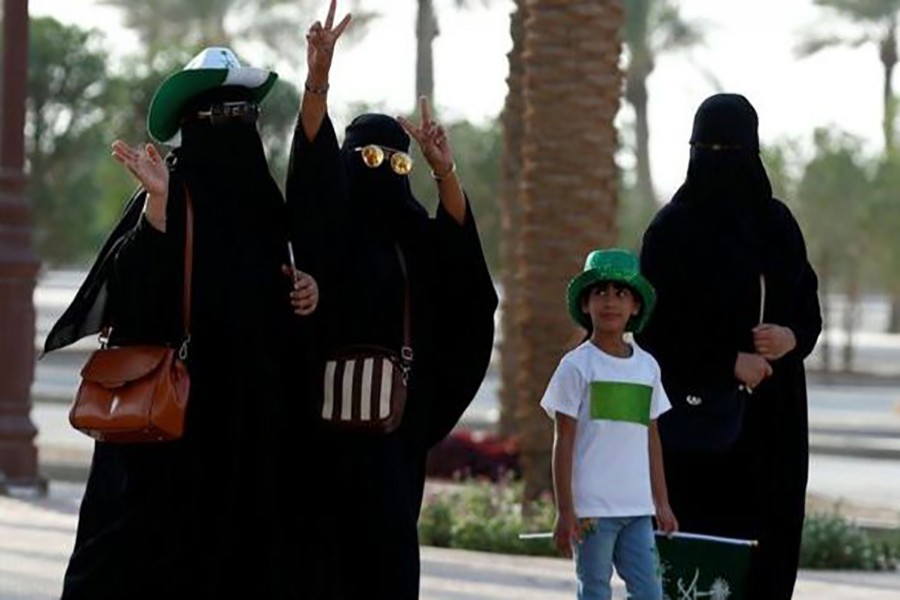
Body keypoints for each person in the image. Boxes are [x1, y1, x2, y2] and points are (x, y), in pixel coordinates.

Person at [43, 47, 321, 599]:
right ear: (194, 126)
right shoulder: (171, 189)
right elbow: (133, 300)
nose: (239, 128)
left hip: (244, 440)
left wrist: (306, 291)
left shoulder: (263, 203)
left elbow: (274, 310)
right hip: (172, 441)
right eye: (223, 118)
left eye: (247, 116)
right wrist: (157, 213)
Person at [284, 2, 499, 598]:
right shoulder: (329, 227)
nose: (384, 169)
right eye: (371, 157)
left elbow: (466, 276)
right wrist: (318, 78)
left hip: (392, 437)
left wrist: (443, 171)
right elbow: (308, 167)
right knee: (319, 566)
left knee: (387, 567)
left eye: (395, 160)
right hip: (320, 433)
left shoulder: (414, 239)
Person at [636, 93, 823, 599]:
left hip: (773, 429)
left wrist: (791, 338)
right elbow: (651, 331)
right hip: (696, 432)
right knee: (700, 564)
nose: (719, 160)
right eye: (708, 147)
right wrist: (725, 362)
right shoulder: (670, 232)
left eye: (731, 148)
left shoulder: (777, 226)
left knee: (769, 556)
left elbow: (807, 307)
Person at [540, 248, 678, 600]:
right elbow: (564, 441)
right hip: (591, 513)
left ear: (635, 306)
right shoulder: (576, 367)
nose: (610, 302)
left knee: (649, 592)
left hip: (637, 509)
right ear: (586, 305)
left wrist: (661, 503)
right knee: (595, 590)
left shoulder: (648, 368)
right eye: (600, 292)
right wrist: (566, 510)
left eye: (621, 293)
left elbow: (652, 439)